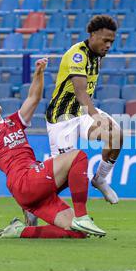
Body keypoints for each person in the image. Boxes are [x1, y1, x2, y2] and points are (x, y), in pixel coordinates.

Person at [0, 58, 106, 239]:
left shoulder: (13, 121)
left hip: (34, 185)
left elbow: (34, 98)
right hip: (24, 181)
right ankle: (82, 216)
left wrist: (39, 72)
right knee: (77, 157)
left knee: (77, 233)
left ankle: (20, 230)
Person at [45, 15, 123, 205]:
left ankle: (100, 179)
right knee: (63, 176)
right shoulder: (77, 55)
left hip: (80, 114)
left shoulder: (97, 56)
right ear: (93, 35)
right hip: (62, 118)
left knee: (116, 135)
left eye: (112, 42)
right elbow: (80, 92)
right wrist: (97, 117)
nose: (109, 46)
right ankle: (34, 204)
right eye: (105, 40)